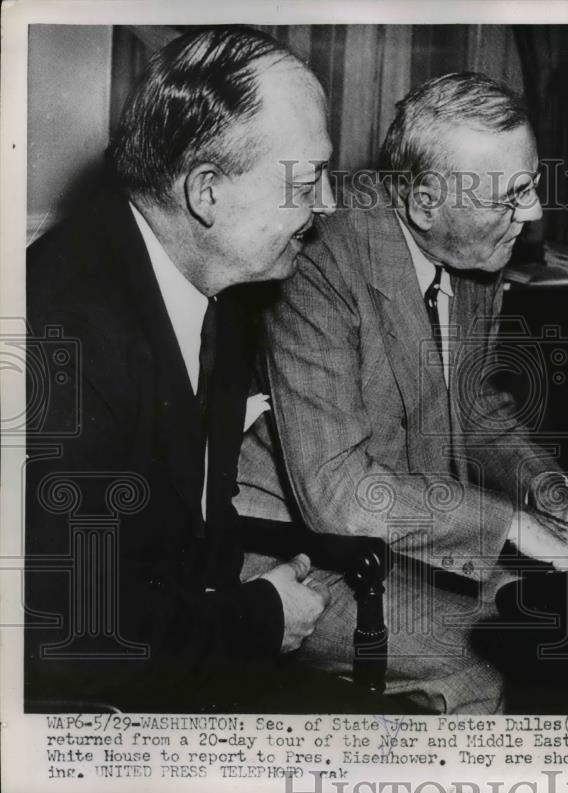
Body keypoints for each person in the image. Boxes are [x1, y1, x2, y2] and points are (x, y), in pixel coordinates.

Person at [236, 72, 568, 713]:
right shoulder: (319, 257)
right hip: (301, 554)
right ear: (426, 204)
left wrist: (549, 493)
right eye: (512, 196)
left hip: (414, 540)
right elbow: (340, 497)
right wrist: (510, 524)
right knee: (487, 664)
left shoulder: (475, 250)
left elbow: (475, 410)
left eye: (532, 185)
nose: (534, 213)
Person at [25, 27, 335, 711]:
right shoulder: (59, 335)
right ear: (207, 193)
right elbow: (76, 638)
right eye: (308, 180)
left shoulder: (216, 284)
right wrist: (261, 619)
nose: (327, 205)